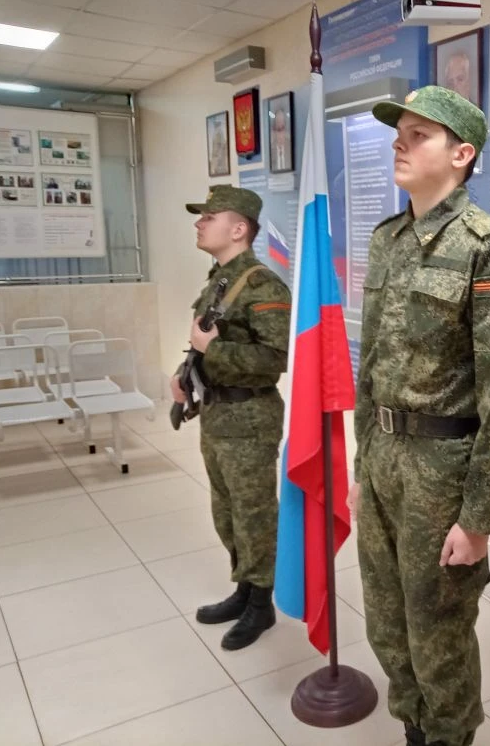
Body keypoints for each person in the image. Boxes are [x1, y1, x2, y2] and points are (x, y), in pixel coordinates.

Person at [350, 85, 490, 746]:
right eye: (398, 133)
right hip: (383, 459)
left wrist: (478, 518)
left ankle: (448, 735)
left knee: (439, 632)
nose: (399, 143)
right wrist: (361, 468)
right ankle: (414, 729)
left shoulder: (488, 245)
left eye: (417, 134)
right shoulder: (388, 240)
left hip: (441, 469)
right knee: (386, 622)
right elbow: (369, 367)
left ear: (461, 154)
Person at [171, 185, 291, 651]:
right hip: (218, 413)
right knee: (226, 510)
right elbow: (205, 343)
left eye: (209, 216)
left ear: (238, 229)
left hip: (249, 417)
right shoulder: (219, 281)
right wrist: (186, 374)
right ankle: (244, 588)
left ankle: (261, 603)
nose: (199, 223)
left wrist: (214, 350)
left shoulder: (263, 285)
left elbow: (274, 359)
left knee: (253, 512)